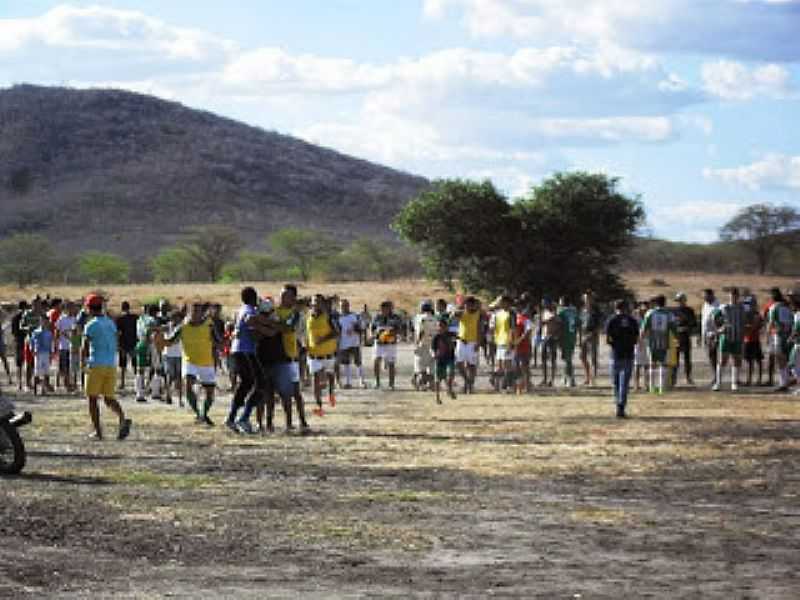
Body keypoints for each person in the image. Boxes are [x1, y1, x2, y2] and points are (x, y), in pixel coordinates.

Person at [81, 294, 131, 441]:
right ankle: (122, 418)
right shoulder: (110, 323)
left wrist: (82, 364)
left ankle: (98, 431)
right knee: (109, 398)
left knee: (92, 399)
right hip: (111, 364)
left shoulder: (90, 325)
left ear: (89, 308)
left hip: (96, 364)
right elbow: (116, 341)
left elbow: (85, 346)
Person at [164, 302, 216, 425]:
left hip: (207, 362)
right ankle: (198, 413)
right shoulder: (182, 327)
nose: (195, 314)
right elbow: (170, 341)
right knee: (187, 385)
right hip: (190, 361)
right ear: (188, 313)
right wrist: (159, 339)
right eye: (193, 312)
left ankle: (204, 414)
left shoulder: (209, 325)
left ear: (202, 313)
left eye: (198, 312)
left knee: (210, 393)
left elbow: (218, 341)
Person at [227, 287, 261, 432]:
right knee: (261, 384)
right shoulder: (249, 310)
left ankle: (233, 417)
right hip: (245, 350)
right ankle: (243, 418)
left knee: (246, 384)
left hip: (239, 350)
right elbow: (249, 320)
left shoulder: (241, 309)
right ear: (254, 298)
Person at [605, 300, 639, 418]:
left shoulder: (611, 320)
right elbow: (636, 338)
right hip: (628, 354)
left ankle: (618, 405)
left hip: (616, 354)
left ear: (616, 308)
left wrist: (615, 345)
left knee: (616, 382)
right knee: (624, 383)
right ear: (626, 308)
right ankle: (621, 406)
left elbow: (608, 339)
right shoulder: (632, 321)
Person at [307, 294, 340, 414]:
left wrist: (323, 339)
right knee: (316, 380)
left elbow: (337, 333)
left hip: (328, 354)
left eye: (318, 302)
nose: (316, 304)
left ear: (322, 304)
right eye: (314, 302)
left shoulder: (328, 317)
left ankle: (331, 393)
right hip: (313, 355)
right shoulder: (308, 316)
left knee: (330, 377)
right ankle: (319, 406)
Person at [711, 287, 745, 392]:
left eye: (735, 296)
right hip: (726, 337)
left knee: (737, 360)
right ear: (729, 296)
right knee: (722, 360)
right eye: (731, 295)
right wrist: (719, 329)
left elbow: (744, 320)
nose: (733, 297)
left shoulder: (741, 308)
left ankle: (734, 383)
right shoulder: (724, 307)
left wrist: (743, 332)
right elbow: (714, 317)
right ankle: (718, 383)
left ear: (738, 297)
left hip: (737, 337)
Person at [640, 294, 675, 395]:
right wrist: (677, 338)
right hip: (664, 341)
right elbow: (673, 327)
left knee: (652, 363)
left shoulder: (650, 313)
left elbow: (644, 327)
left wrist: (641, 338)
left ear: (655, 303)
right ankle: (661, 388)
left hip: (652, 342)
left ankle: (652, 387)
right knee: (663, 364)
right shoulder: (669, 314)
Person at [766, 288, 794, 392]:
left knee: (780, 360)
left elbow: (771, 323)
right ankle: (786, 382)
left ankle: (784, 383)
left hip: (779, 335)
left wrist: (768, 336)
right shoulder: (787, 307)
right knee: (787, 360)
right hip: (789, 335)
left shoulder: (774, 307)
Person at [371, 300, 402, 390]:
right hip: (379, 343)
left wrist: (391, 333)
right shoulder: (377, 317)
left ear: (390, 308)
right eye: (382, 308)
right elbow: (372, 328)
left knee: (391, 363)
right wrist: (374, 334)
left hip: (390, 344)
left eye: (386, 308)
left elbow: (400, 330)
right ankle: (377, 382)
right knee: (376, 361)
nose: (384, 310)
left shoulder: (396, 317)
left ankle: (391, 384)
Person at [489, 296, 516, 392]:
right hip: (499, 342)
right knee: (499, 366)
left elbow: (512, 329)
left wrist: (510, 342)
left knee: (507, 365)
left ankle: (509, 386)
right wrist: (492, 339)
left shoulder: (511, 314)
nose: (499, 303)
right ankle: (500, 385)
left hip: (507, 342)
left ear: (507, 302)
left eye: (501, 302)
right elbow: (493, 329)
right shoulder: (497, 314)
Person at [337, 298, 365, 389]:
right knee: (346, 363)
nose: (343, 307)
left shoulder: (355, 316)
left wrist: (354, 329)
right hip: (343, 343)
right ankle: (348, 382)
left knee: (358, 362)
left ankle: (361, 381)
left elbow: (362, 328)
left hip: (354, 343)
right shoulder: (338, 318)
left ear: (348, 306)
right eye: (341, 306)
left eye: (345, 305)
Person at [672, 292, 697, 386]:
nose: (679, 302)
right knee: (675, 359)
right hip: (676, 337)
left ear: (684, 300)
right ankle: (673, 378)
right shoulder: (674, 311)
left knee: (687, 358)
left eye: (680, 300)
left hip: (686, 336)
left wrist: (687, 328)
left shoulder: (690, 311)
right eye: (677, 301)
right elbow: (672, 324)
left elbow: (694, 324)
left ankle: (688, 377)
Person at [578, 291, 603, 384]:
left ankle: (593, 378)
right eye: (585, 298)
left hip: (593, 335)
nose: (586, 300)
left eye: (588, 298)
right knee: (582, 356)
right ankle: (587, 376)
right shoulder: (582, 310)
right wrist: (580, 336)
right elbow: (581, 323)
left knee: (593, 357)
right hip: (584, 334)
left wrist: (593, 333)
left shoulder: (596, 310)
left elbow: (599, 324)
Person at [412, 300, 437, 391]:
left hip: (423, 344)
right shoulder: (435, 318)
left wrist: (416, 343)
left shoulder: (420, 318)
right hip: (433, 344)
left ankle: (422, 385)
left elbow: (420, 331)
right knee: (431, 366)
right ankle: (431, 384)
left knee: (421, 366)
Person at [431, 317, 456, 403]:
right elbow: (432, 349)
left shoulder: (452, 335)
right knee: (438, 379)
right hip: (440, 360)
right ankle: (437, 397)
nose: (440, 328)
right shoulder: (436, 337)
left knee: (450, 374)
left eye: (442, 326)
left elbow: (459, 340)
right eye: (438, 326)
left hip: (450, 358)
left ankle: (449, 389)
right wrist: (434, 354)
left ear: (446, 327)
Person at [115, 301, 139, 391]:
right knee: (135, 364)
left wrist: (118, 344)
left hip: (123, 344)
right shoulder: (135, 317)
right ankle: (137, 383)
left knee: (123, 365)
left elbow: (118, 333)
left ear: (122, 308)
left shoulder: (120, 319)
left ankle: (122, 383)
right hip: (133, 343)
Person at [162, 310, 184, 406]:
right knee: (169, 377)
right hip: (169, 354)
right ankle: (168, 395)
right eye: (174, 317)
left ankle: (179, 399)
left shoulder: (181, 327)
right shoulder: (168, 326)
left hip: (179, 354)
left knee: (178, 377)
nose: (176, 319)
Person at [538, 298, 561, 387]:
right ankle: (544, 378)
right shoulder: (544, 313)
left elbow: (559, 323)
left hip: (552, 337)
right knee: (543, 359)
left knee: (552, 359)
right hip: (544, 337)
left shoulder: (554, 313)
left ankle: (552, 379)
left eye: (545, 303)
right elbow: (542, 324)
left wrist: (556, 335)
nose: (544, 305)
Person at [742, 295, 764, 386]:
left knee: (757, 360)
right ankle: (749, 379)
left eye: (750, 303)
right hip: (747, 339)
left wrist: (752, 326)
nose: (748, 305)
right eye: (747, 303)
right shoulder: (746, 314)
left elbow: (760, 325)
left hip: (754, 339)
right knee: (748, 361)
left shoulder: (756, 314)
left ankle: (758, 380)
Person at [55, 302, 77, 391]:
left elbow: (76, 333)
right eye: (70, 307)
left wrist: (76, 344)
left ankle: (69, 384)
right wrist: (56, 343)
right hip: (63, 346)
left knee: (71, 366)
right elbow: (57, 331)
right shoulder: (61, 319)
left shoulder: (74, 319)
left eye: (73, 307)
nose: (72, 309)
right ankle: (65, 384)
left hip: (71, 346)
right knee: (64, 366)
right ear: (66, 308)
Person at [557, 296, 579, 387]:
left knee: (567, 359)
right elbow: (578, 324)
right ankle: (566, 377)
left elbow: (559, 325)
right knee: (567, 358)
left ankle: (571, 379)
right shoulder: (574, 312)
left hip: (565, 337)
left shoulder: (561, 312)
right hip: (572, 337)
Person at [701, 289, 720, 387]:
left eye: (706, 296)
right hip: (706, 334)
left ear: (711, 295)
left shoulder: (717, 306)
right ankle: (715, 375)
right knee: (710, 356)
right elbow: (703, 322)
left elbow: (719, 321)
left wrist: (716, 335)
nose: (704, 298)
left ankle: (717, 377)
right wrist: (701, 336)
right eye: (703, 296)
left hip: (714, 335)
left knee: (715, 356)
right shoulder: (705, 305)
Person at [30, 314, 54, 396]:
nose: (44, 322)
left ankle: (44, 389)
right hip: (38, 353)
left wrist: (51, 352)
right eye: (42, 321)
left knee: (46, 371)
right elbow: (32, 342)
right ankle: (35, 390)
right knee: (37, 371)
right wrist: (32, 350)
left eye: (46, 321)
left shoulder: (49, 333)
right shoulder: (36, 332)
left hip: (46, 353)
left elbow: (51, 343)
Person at [10, 301, 28, 390]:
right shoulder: (25, 317)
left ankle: (20, 383)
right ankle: (23, 382)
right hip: (23, 341)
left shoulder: (15, 317)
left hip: (18, 341)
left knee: (19, 364)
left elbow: (13, 332)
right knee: (23, 363)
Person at [633, 301, 649, 391]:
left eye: (646, 308)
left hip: (647, 341)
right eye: (643, 308)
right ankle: (636, 384)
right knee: (637, 364)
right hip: (638, 342)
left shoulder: (648, 316)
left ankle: (646, 384)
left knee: (647, 364)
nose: (644, 310)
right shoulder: (635, 317)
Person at [0, 307, 13, 386]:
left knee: (4, 360)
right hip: (1, 341)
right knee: (4, 360)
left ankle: (9, 378)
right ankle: (9, 378)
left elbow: (6, 316)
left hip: (1, 341)